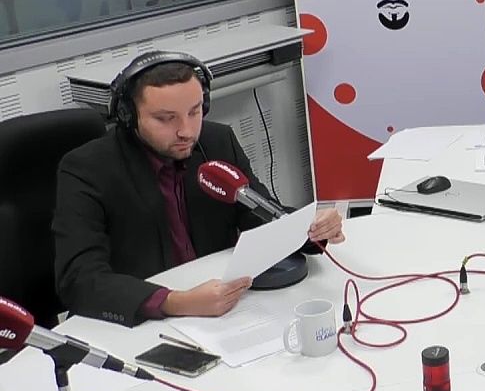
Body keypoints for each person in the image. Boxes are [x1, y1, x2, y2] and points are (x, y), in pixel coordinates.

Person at [53, 51, 345, 327]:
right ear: (129, 115)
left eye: (194, 112)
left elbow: (260, 216)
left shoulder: (217, 142)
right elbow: (79, 280)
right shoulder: (87, 169)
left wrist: (310, 229)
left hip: (226, 312)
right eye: (165, 119)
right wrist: (176, 303)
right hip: (145, 322)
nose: (186, 131)